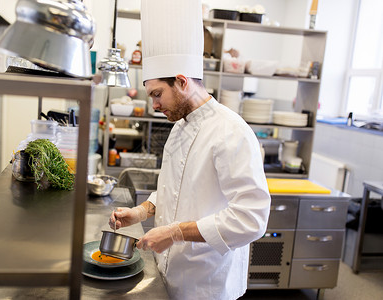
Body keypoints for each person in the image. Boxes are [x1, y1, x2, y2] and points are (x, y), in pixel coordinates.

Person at [109, 1, 271, 299]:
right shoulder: (179, 128)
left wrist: (175, 232)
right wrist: (140, 212)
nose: (154, 105)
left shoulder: (231, 132)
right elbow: (175, 190)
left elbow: (252, 218)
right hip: (167, 273)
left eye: (158, 94)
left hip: (206, 283)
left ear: (182, 81)